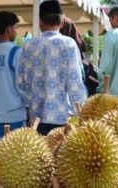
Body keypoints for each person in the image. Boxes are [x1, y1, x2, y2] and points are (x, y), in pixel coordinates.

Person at [17, 0, 87, 135]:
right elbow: (75, 84)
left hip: (37, 117)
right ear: (61, 23)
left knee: (41, 154)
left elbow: (21, 83)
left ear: (40, 22)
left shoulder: (29, 46)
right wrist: (81, 114)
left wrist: (31, 102)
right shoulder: (68, 44)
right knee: (60, 154)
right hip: (63, 117)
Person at [0, 11, 27, 141]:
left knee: (1, 155)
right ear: (9, 29)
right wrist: (29, 105)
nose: (16, 32)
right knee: (16, 155)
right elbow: (22, 84)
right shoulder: (15, 51)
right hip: (14, 113)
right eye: (16, 28)